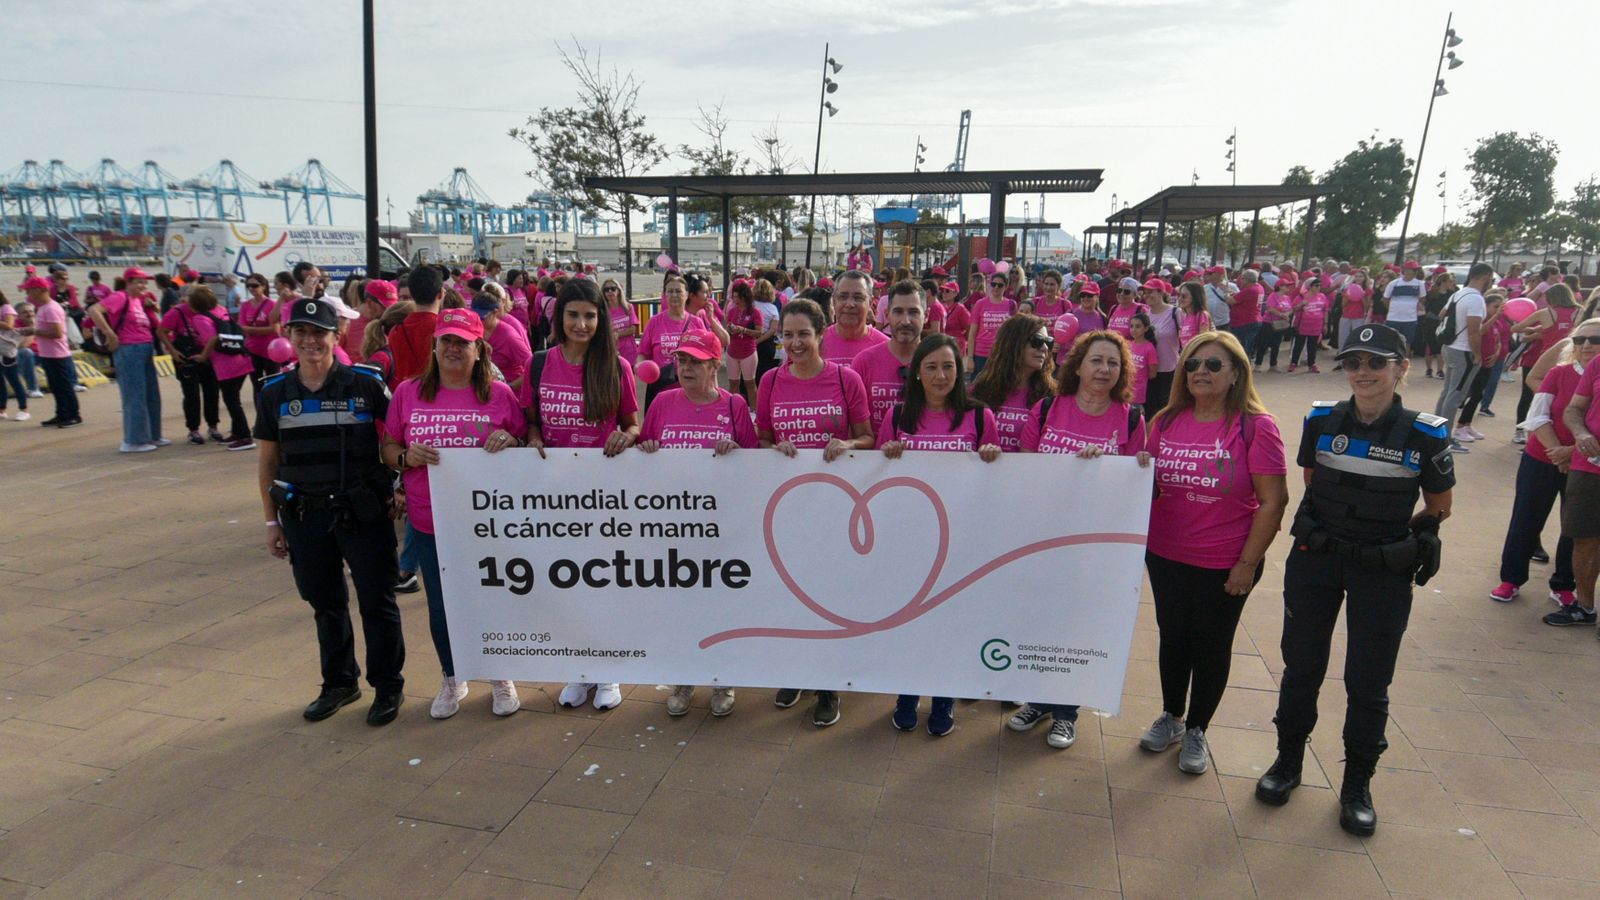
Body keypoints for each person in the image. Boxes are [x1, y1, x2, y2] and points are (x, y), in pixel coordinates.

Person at [1256, 324, 1453, 837]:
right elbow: (1314, 482)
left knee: (1368, 680)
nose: (1363, 372)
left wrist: (1390, 541)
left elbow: (1439, 506)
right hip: (1318, 559)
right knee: (1302, 666)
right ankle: (1288, 761)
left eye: (1376, 363)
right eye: (1353, 363)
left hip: (1381, 569)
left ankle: (1357, 784)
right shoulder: (1322, 420)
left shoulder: (1425, 433)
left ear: (1401, 368)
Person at [1142, 331, 1289, 776]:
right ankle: (1171, 715)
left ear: (1236, 374)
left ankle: (1197, 729)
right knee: (1173, 637)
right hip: (1165, 554)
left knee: (1211, 644)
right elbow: (1139, 481)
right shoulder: (1165, 421)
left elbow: (1274, 502)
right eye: (1192, 364)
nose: (1200, 372)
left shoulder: (1256, 426)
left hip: (1225, 561)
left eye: (1212, 365)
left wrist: (1247, 564)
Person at [256, 297, 405, 726]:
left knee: (377, 602)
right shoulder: (274, 392)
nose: (310, 341)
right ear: (288, 336)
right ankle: (340, 683)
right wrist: (271, 522)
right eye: (301, 332)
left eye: (319, 333)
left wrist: (399, 487)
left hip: (363, 513)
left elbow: (398, 435)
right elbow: (268, 462)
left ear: (336, 336)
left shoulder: (365, 384)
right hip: (305, 516)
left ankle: (387, 686)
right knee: (326, 604)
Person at [1009, 330, 1151, 750]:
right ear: (1078, 365)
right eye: (1096, 360)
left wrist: (1124, 468)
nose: (1104, 369)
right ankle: (1038, 701)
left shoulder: (1130, 419)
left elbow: (1132, 487)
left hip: (1094, 545)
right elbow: (1026, 469)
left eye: (1113, 363)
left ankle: (1066, 713)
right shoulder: (1047, 408)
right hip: (1044, 537)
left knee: (1077, 626)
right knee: (1040, 620)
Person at [381, 308, 526, 719]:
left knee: (491, 599)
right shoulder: (409, 392)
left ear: (479, 349)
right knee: (442, 605)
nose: (453, 348)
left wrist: (511, 440)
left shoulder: (500, 395)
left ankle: (499, 674)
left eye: (463, 342)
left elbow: (524, 443)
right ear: (434, 346)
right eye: (446, 340)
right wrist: (406, 457)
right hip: (431, 520)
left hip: (487, 523)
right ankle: (452, 675)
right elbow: (388, 448)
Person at [523, 279, 641, 712]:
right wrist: (534, 437)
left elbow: (632, 423)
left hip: (604, 497)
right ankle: (580, 666)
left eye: (590, 316)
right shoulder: (538, 364)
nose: (582, 324)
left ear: (601, 319)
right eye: (573, 315)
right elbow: (530, 421)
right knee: (568, 584)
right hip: (554, 497)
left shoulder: (617, 367)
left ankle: (608, 669)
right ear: (560, 317)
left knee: (603, 582)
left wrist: (627, 437)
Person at [758, 297, 874, 727]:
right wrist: (775, 448)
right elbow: (761, 439)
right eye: (787, 335)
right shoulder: (770, 380)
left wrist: (847, 444)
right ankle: (796, 671)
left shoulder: (846, 379)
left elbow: (867, 437)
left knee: (829, 598)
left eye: (803, 334)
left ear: (821, 334)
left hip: (836, 508)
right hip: (788, 509)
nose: (794, 343)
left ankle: (828, 683)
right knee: (791, 596)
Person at [878, 334, 1002, 736]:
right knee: (909, 621)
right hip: (909, 539)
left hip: (960, 540)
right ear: (917, 373)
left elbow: (994, 483)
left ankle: (945, 696)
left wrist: (991, 458)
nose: (940, 375)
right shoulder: (897, 416)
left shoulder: (980, 417)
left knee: (951, 622)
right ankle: (908, 692)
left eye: (948, 366)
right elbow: (877, 479)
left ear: (960, 371)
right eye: (930, 367)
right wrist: (887, 455)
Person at [637, 329, 759, 718]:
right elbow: (645, 453)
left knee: (722, 604)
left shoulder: (735, 405)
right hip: (674, 528)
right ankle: (685, 676)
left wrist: (736, 453)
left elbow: (755, 463)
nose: (686, 368)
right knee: (680, 606)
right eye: (682, 360)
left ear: (716, 365)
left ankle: (723, 677)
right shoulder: (661, 402)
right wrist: (647, 448)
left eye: (696, 362)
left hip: (723, 529)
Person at [1493, 319, 1599, 609]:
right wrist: (1557, 452)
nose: (1586, 345)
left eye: (1595, 340)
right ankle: (1511, 579)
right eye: (1580, 340)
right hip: (1542, 457)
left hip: (1584, 464)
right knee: (1526, 518)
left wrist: (1570, 453)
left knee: (1574, 527)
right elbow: (1538, 416)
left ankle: (1564, 584)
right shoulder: (1559, 372)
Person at [89, 267, 164, 450]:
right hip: (129, 349)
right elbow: (94, 310)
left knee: (151, 395)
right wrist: (109, 333)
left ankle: (152, 435)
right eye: (139, 282)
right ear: (128, 283)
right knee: (134, 395)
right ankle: (134, 440)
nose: (143, 285)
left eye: (145, 282)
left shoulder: (137, 300)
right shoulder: (120, 296)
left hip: (145, 347)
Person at [181, 286, 255, 450]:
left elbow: (212, 338)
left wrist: (203, 356)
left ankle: (245, 437)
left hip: (226, 364)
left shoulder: (200, 318)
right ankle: (237, 432)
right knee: (233, 398)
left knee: (232, 401)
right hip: (242, 358)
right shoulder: (220, 310)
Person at [971, 315, 1058, 452]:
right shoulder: (980, 391)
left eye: (1049, 342)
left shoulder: (1052, 396)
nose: (1044, 348)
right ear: (1014, 343)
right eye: (1037, 341)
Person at [851, 280, 926, 431]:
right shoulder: (864, 362)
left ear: (927, 315)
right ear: (887, 315)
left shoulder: (939, 363)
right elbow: (851, 423)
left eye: (913, 312)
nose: (905, 321)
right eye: (898, 312)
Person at [1512, 283, 1581, 444]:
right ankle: (1559, 437)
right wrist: (1540, 331)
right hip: (1571, 361)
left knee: (1531, 397)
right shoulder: (1580, 312)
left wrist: (1535, 330)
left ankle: (1522, 432)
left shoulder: (1545, 313)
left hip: (1544, 362)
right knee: (1566, 400)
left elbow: (1516, 328)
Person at [159, 285, 227, 445]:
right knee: (191, 394)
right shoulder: (178, 312)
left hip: (209, 357)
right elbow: (162, 331)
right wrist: (173, 351)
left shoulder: (216, 310)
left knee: (212, 392)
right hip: (186, 357)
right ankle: (193, 429)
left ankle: (213, 426)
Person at [1435, 263, 1491, 453]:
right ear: (1485, 276)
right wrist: (1477, 354)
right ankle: (1445, 439)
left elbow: (1442, 314)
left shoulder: (1458, 294)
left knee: (1447, 393)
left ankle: (1436, 433)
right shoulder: (1475, 299)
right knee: (1455, 395)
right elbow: (1474, 331)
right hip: (1463, 351)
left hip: (1450, 346)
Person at [15, 277, 80, 428]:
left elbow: (57, 333)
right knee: (56, 386)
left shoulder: (51, 308)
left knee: (64, 386)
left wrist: (34, 331)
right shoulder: (43, 308)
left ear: (38, 290)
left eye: (29, 290)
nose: (27, 294)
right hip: (48, 354)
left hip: (58, 354)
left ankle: (73, 415)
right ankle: (61, 414)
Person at [638, 273, 709, 407]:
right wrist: (639, 366)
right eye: (670, 291)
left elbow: (706, 355)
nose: (674, 295)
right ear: (665, 295)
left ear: (687, 294)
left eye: (678, 291)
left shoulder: (697, 322)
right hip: (660, 389)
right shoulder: (654, 322)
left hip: (690, 390)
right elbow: (643, 353)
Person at [1453, 291, 1509, 444]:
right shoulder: (1483, 320)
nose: (1498, 310)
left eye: (1500, 307)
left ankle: (1467, 424)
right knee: (1476, 394)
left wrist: (1496, 353)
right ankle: (1459, 427)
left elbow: (1498, 339)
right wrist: (1496, 316)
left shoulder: (1497, 322)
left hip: (1488, 363)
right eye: (1495, 306)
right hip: (1477, 363)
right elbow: (1480, 331)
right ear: (1486, 306)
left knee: (1479, 394)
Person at [389, 266, 445, 385]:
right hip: (436, 391)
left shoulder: (396, 330)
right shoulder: (444, 330)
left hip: (404, 392)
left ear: (412, 294)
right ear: (440, 294)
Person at [822, 270, 889, 365]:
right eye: (843, 297)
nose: (850, 304)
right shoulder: (817, 344)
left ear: (870, 302)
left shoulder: (886, 348)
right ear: (834, 301)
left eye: (858, 298)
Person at [472, 288, 533, 392]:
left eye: (482, 317)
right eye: (475, 316)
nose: (478, 321)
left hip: (509, 391)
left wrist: (510, 387)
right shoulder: (473, 329)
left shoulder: (509, 337)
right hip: (484, 389)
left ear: (495, 312)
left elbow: (532, 367)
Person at [965, 270, 1017, 376]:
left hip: (1002, 354)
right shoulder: (980, 304)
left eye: (1000, 285)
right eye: (993, 284)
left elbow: (1014, 333)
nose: (996, 287)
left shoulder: (1011, 305)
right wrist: (970, 358)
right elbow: (972, 333)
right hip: (980, 355)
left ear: (1006, 286)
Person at [722, 279, 764, 407]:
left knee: (749, 383)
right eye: (733, 297)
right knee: (733, 384)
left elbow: (759, 332)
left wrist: (743, 330)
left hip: (748, 351)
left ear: (745, 296)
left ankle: (754, 412)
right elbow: (727, 327)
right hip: (732, 351)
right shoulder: (732, 311)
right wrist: (730, 329)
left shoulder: (755, 312)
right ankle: (734, 409)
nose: (735, 300)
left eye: (737, 297)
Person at [239, 275, 282, 398]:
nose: (251, 288)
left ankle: (273, 408)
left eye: (255, 285)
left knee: (273, 384)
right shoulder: (245, 305)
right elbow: (241, 327)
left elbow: (275, 329)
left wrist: (251, 330)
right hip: (252, 350)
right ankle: (260, 409)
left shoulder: (272, 304)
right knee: (257, 385)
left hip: (271, 351)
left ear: (263, 286)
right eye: (248, 286)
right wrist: (262, 330)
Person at [1142, 280, 1181, 410]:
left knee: (1166, 406)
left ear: (1161, 293)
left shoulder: (1175, 313)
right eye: (1145, 292)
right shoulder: (1145, 314)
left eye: (1150, 292)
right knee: (1150, 407)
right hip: (1148, 370)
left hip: (1168, 369)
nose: (1147, 295)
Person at [1288, 276, 1330, 374]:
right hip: (1302, 325)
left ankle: (1312, 364)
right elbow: (1293, 309)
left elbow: (1325, 311)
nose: (1319, 287)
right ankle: (1294, 363)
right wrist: (1302, 304)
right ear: (1310, 286)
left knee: (1312, 346)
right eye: (1316, 285)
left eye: (1320, 285)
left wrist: (1325, 324)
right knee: (1299, 345)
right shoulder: (1301, 297)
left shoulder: (1322, 296)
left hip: (1316, 326)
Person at [1256, 276, 1296, 372]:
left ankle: (1273, 364)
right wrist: (1282, 314)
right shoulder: (1273, 295)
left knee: (1276, 344)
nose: (1288, 287)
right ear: (1280, 286)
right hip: (1269, 323)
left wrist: (1287, 314)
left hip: (1280, 324)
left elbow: (1291, 309)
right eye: (1286, 285)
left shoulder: (1287, 297)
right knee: (1264, 344)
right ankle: (1258, 364)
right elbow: (1270, 308)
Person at [1382, 261, 1425, 348]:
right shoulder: (1394, 283)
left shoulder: (1420, 284)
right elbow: (1385, 299)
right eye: (1412, 269)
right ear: (1404, 270)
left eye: (1415, 270)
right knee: (1392, 342)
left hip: (1410, 319)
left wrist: (1413, 307)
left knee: (1407, 342)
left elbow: (1422, 298)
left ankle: (1405, 357)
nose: (1414, 272)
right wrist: (1391, 309)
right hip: (1393, 319)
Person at [601, 277, 639, 367]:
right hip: (612, 352)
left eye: (613, 288)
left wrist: (618, 334)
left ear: (618, 291)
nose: (610, 291)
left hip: (630, 351)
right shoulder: (602, 311)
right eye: (606, 290)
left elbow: (633, 329)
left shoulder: (628, 307)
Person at [1176, 281, 1212, 348]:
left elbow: (1204, 341)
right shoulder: (1186, 316)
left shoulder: (1202, 315)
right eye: (1179, 295)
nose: (1180, 298)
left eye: (1184, 296)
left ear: (1195, 297)